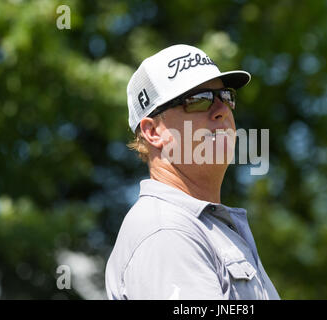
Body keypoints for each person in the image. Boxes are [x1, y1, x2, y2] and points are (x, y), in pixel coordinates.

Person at [105, 44, 280, 300]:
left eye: (226, 97)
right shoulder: (166, 232)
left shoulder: (203, 227)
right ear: (153, 132)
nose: (221, 110)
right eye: (199, 101)